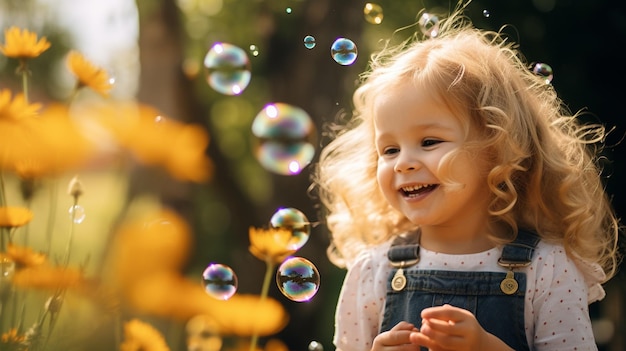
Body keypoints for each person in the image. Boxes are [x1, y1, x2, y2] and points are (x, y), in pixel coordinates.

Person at [311, 5, 621, 351]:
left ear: (497, 147)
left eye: (429, 142)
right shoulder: (372, 272)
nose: (403, 163)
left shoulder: (547, 268)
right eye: (389, 150)